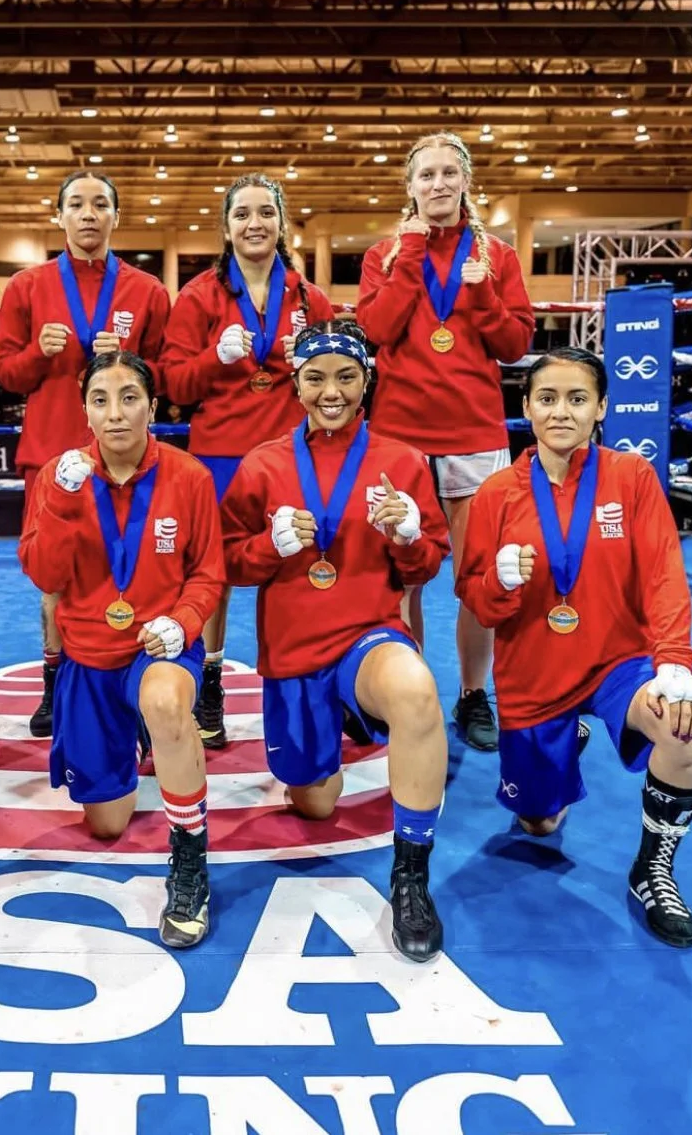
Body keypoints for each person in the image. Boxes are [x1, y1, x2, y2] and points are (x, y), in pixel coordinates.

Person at [457, 348, 692, 948]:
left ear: (600, 407)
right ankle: (566, 737)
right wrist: (500, 582)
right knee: (538, 822)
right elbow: (473, 596)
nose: (561, 412)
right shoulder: (496, 494)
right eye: (547, 399)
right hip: (533, 671)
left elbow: (664, 575)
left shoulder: (631, 478)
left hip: (618, 663)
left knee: (685, 728)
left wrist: (674, 662)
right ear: (525, 408)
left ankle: (653, 870)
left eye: (577, 399)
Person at [220, 322, 452, 961]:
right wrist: (272, 546)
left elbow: (427, 564)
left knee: (415, 692)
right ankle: (339, 725)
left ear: (366, 381)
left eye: (346, 376)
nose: (332, 391)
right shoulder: (264, 463)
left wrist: (408, 534)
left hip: (366, 636)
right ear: (296, 384)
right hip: (293, 652)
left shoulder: (402, 461)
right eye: (317, 377)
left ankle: (411, 875)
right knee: (315, 803)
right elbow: (228, 562)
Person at [18, 352, 224, 948]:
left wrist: (182, 623)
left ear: (153, 407)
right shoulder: (58, 477)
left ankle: (190, 861)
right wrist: (59, 503)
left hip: (158, 649)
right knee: (107, 822)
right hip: (87, 654)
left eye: (129, 397)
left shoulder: (190, 477)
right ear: (84, 408)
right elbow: (42, 574)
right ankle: (131, 739)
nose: (115, 413)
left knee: (164, 702)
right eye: (101, 399)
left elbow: (207, 575)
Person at [357, 131, 534, 752]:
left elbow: (514, 346)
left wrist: (483, 290)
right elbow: (378, 328)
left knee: (478, 572)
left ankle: (471, 693)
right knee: (399, 573)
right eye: (425, 175)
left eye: (447, 173)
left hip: (473, 432)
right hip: (399, 439)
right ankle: (408, 689)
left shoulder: (499, 256)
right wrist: (408, 254)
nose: (437, 184)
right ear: (409, 187)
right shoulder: (384, 254)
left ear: (466, 183)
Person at [0, 170, 171, 739]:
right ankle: (55, 682)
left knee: (132, 570)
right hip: (52, 449)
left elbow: (166, 376)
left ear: (116, 217)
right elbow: (5, 374)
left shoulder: (146, 291)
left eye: (100, 204)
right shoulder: (26, 286)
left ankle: (132, 677)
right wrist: (36, 354)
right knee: (55, 580)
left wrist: (133, 360)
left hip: (128, 455)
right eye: (76, 204)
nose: (88, 214)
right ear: (60, 215)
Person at [162, 173, 333, 750]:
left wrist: (307, 363)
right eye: (242, 214)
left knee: (293, 566)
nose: (254, 223)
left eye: (266, 213)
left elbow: (338, 388)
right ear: (226, 226)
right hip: (219, 454)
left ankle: (306, 674)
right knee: (213, 572)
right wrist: (215, 358)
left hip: (292, 456)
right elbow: (175, 384)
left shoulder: (311, 299)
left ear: (282, 223)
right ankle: (208, 678)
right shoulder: (197, 297)